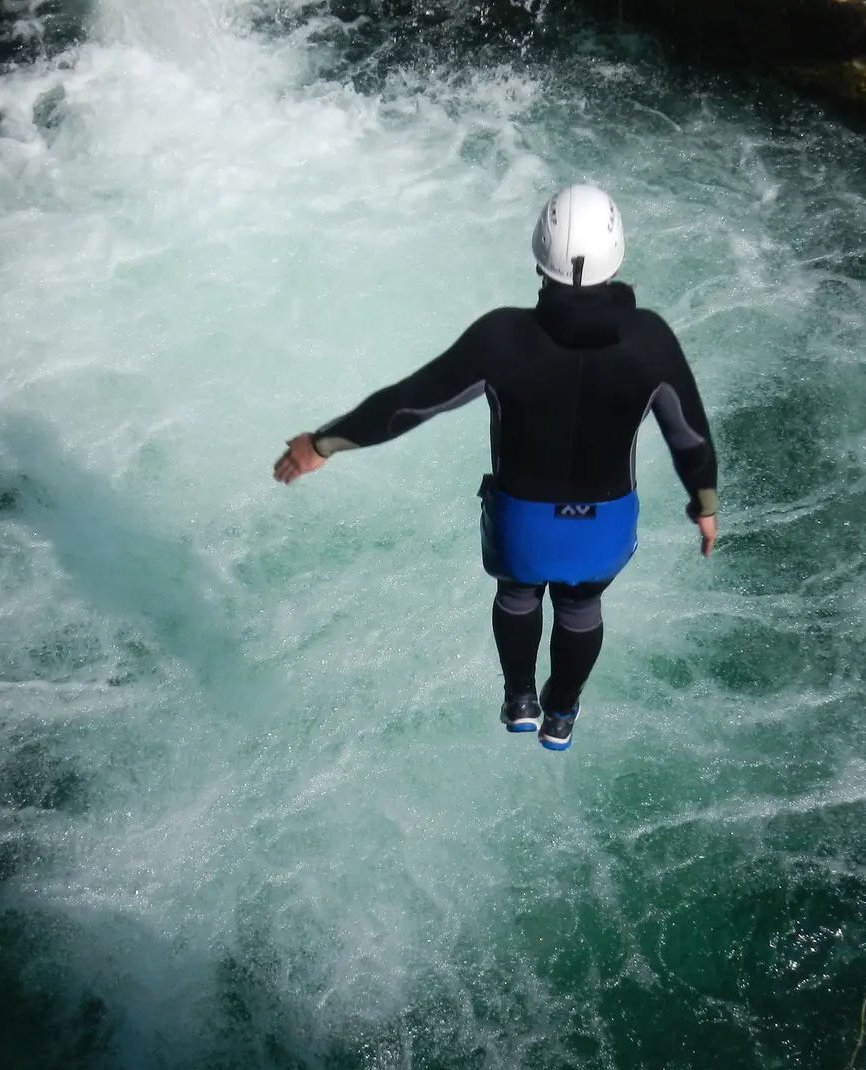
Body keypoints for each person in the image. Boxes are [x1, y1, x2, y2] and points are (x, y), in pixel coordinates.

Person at [273, 184, 717, 751]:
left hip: (522, 524)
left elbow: (410, 403)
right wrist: (704, 502)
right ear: (618, 253)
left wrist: (324, 442)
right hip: (602, 525)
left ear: (539, 250)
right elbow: (689, 431)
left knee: (518, 593)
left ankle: (520, 699)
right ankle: (562, 715)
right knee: (581, 602)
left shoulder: (503, 337)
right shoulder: (649, 339)